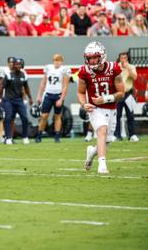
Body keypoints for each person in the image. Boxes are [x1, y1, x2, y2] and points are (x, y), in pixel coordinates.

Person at [78, 41, 124, 174]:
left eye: (95, 57)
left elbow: (121, 93)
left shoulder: (114, 68)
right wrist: (83, 104)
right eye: (89, 58)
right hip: (94, 109)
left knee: (107, 140)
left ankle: (92, 151)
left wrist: (105, 99)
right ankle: (102, 164)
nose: (92, 60)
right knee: (102, 131)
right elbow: (80, 92)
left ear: (102, 56)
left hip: (111, 108)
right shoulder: (84, 71)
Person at [35, 54, 71, 143]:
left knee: (57, 116)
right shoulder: (48, 68)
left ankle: (57, 136)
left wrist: (61, 99)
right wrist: (39, 95)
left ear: (61, 62)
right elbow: (43, 83)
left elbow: (65, 86)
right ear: (53, 61)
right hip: (48, 94)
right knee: (44, 116)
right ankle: (39, 135)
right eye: (55, 60)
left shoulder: (64, 70)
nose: (57, 62)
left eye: (58, 60)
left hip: (58, 95)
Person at [0, 58, 33, 145]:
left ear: (22, 65)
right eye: (16, 64)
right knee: (8, 117)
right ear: (14, 65)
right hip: (8, 100)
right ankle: (8, 138)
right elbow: (2, 87)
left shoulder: (23, 75)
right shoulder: (9, 75)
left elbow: (26, 87)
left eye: (19, 64)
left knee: (25, 118)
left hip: (19, 100)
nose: (18, 66)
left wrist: (30, 98)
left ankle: (25, 137)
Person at [114, 52, 138, 142]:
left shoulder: (131, 67)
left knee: (130, 115)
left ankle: (132, 135)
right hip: (119, 94)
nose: (123, 59)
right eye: (122, 58)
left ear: (127, 58)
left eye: (125, 57)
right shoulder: (116, 67)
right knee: (117, 116)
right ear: (119, 58)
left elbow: (135, 77)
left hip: (128, 94)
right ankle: (117, 135)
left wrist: (127, 67)